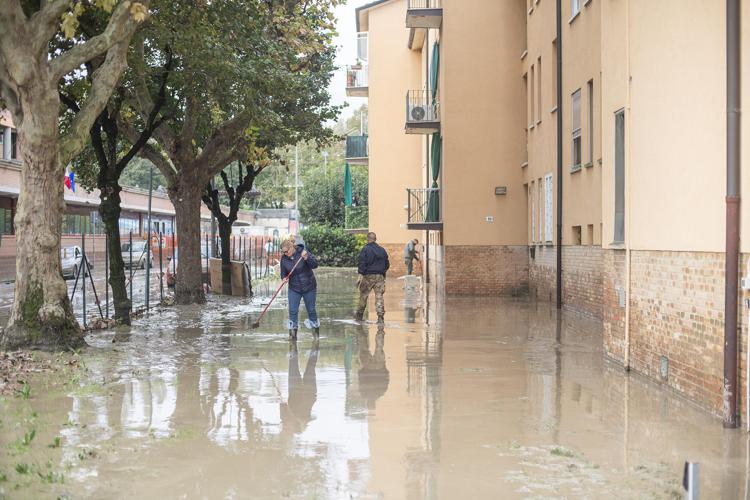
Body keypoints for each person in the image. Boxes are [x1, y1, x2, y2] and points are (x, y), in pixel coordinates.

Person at [280, 237, 320, 339]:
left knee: (311, 310)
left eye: (286, 251)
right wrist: (284, 278)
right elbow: (283, 273)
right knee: (292, 311)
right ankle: (292, 336)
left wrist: (307, 258)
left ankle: (316, 335)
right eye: (283, 252)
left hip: (309, 286)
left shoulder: (303, 252)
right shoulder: (284, 259)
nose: (285, 253)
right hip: (294, 288)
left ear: (292, 248)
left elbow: (315, 265)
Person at [355, 232, 389, 323]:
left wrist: (360, 276)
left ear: (367, 239)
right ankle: (380, 318)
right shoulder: (382, 250)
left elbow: (362, 263)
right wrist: (382, 272)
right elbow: (387, 264)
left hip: (368, 276)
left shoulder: (365, 249)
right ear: (375, 239)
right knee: (379, 297)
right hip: (380, 276)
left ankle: (359, 318)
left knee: (363, 296)